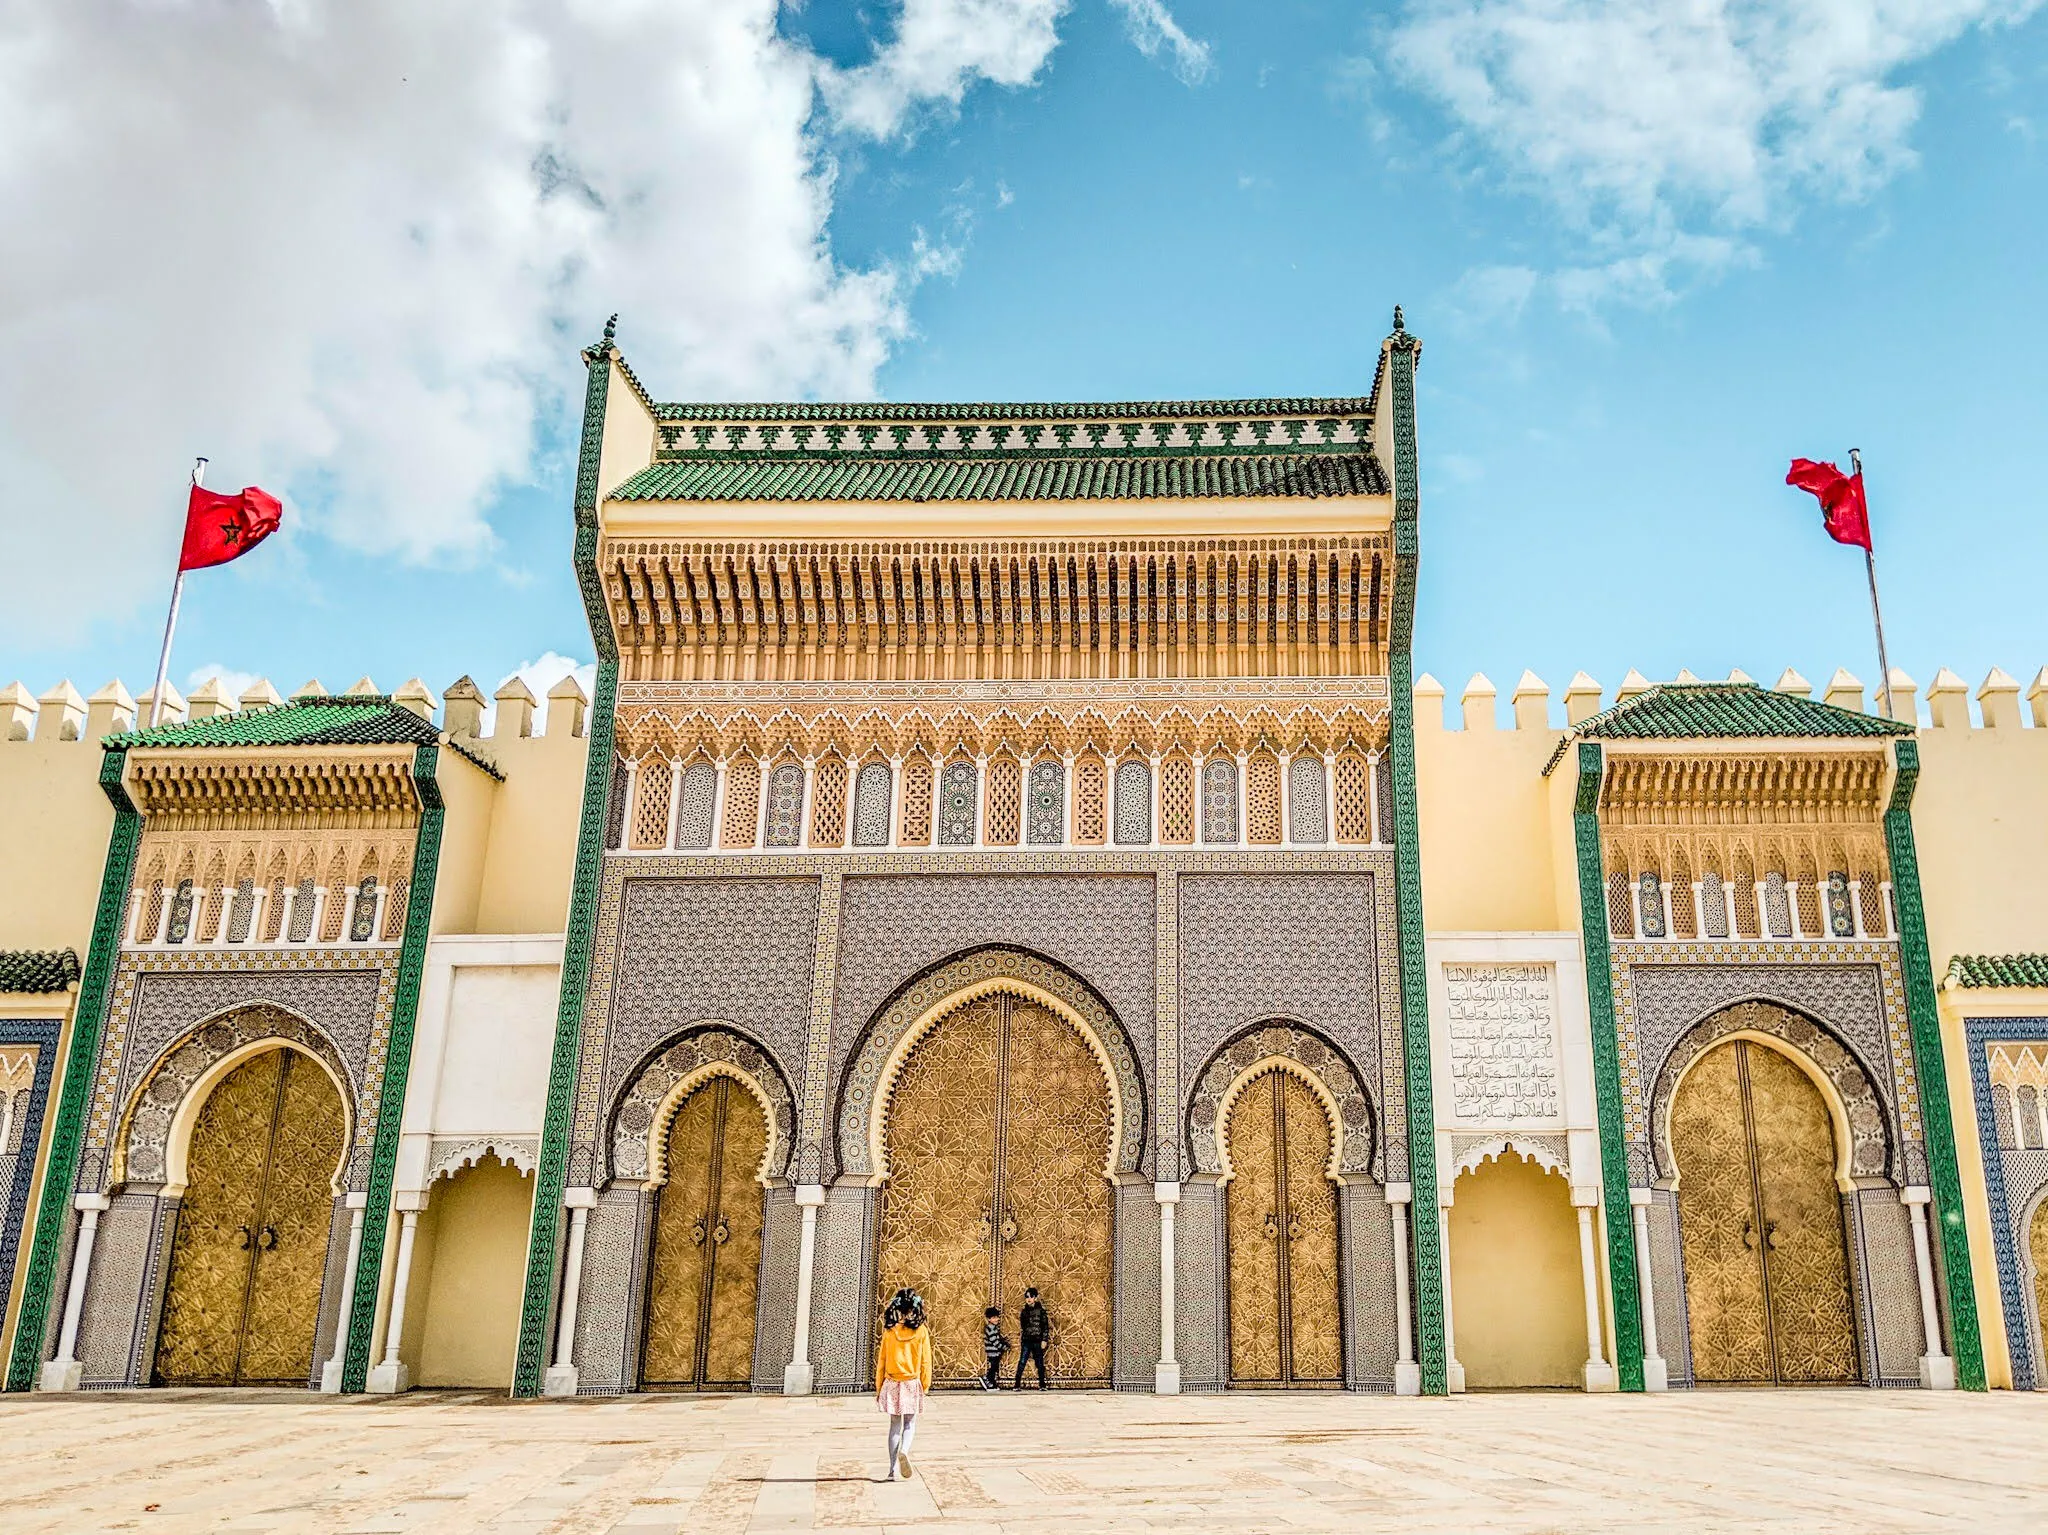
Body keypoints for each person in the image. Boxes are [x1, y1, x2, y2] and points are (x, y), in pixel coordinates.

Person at [875, 1288, 932, 1481]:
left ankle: (891, 1470)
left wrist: (878, 1386)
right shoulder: (921, 1331)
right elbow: (926, 1361)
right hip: (911, 1381)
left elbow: (881, 1360)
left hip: (892, 1381)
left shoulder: (889, 1332)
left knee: (894, 1425)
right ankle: (905, 1451)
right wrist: (925, 1384)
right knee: (909, 1423)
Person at [1014, 1287, 1050, 1390]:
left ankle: (1042, 1385)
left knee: (1039, 1362)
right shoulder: (1024, 1312)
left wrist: (1044, 1340)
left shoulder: (1041, 1311)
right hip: (1027, 1340)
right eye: (1027, 1297)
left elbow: (1045, 1327)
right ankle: (1017, 1384)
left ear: (1035, 1297)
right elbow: (1023, 1325)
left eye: (1031, 1297)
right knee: (1022, 1361)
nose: (1029, 1299)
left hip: (1037, 1340)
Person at [980, 1305, 1008, 1390]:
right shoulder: (990, 1329)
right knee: (993, 1367)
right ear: (989, 1319)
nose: (997, 1319)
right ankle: (988, 1379)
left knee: (994, 1367)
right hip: (993, 1352)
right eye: (994, 1317)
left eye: (997, 1317)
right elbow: (995, 1342)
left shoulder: (993, 1328)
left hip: (994, 1352)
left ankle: (990, 1381)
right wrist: (1003, 1347)